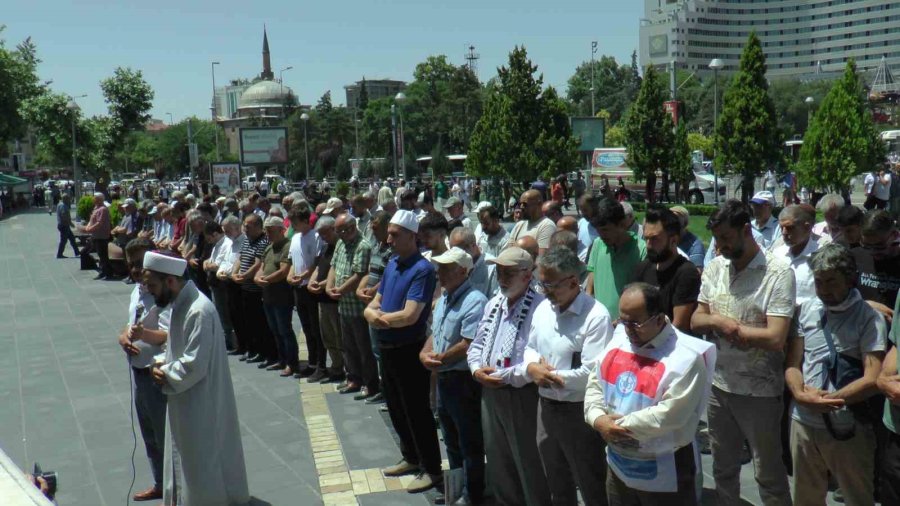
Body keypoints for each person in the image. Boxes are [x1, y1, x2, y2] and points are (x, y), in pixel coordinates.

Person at [691, 199, 795, 506]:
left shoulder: (777, 273)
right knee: (723, 467)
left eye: (726, 237)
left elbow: (776, 337)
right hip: (719, 386)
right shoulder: (715, 267)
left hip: (759, 392)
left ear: (746, 231)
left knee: (768, 473)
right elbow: (696, 319)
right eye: (716, 239)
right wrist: (718, 322)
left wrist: (731, 329)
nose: (720, 246)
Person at [586, 283, 715, 504]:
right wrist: (597, 418)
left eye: (636, 323)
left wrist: (616, 426)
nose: (628, 329)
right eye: (623, 320)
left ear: (658, 318)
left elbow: (669, 415)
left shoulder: (686, 357)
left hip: (665, 470)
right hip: (618, 465)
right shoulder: (619, 340)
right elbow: (596, 382)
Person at [144, 251, 249, 506]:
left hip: (201, 401)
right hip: (184, 398)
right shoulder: (180, 305)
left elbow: (194, 364)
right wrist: (160, 363)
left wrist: (164, 372)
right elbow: (176, 348)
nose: (150, 292)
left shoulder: (198, 310)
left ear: (170, 281)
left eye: (153, 285)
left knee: (203, 462)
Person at [786, 243, 885, 506]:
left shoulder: (869, 318)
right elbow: (793, 363)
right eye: (819, 282)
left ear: (850, 279)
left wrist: (827, 401)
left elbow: (873, 378)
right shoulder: (807, 310)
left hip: (847, 426)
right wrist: (800, 394)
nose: (824, 290)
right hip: (803, 422)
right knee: (805, 498)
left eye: (831, 281)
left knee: (857, 497)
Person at [524, 246, 612, 506]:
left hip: (578, 412)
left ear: (573, 282)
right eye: (542, 284)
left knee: (590, 481)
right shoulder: (543, 309)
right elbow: (530, 347)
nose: (545, 291)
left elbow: (591, 373)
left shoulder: (596, 317)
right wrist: (532, 367)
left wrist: (548, 376)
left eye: (550, 285)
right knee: (556, 481)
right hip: (546, 408)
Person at [363, 210, 443, 493]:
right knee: (396, 407)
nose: (389, 239)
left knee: (417, 410)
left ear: (412, 236)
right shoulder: (392, 264)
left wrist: (377, 318)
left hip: (409, 349)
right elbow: (375, 301)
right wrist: (375, 314)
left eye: (395, 235)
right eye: (389, 234)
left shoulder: (422, 270)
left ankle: (432, 469)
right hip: (387, 346)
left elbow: (410, 315)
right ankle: (410, 456)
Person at [466, 247, 551, 506]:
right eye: (499, 272)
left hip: (521, 393)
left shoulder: (541, 308)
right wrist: (476, 369)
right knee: (498, 461)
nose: (502, 278)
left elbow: (534, 359)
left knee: (528, 463)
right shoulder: (494, 303)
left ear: (527, 275)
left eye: (509, 273)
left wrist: (501, 375)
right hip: (490, 390)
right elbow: (477, 344)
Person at [421, 247, 488, 504]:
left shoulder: (475, 301)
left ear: (462, 271)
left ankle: (472, 494)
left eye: (446, 268)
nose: (440, 273)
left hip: (462, 382)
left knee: (469, 442)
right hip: (443, 379)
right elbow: (435, 334)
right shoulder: (444, 299)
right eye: (439, 268)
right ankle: (457, 491)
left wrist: (438, 359)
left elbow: (468, 344)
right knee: (450, 439)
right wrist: (424, 353)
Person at [118, 238, 170, 503]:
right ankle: (160, 483)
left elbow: (169, 334)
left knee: (165, 436)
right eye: (132, 265)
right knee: (148, 434)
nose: (137, 270)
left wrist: (143, 335)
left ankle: (174, 489)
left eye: (140, 263)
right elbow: (130, 324)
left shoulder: (162, 294)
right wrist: (123, 337)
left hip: (156, 373)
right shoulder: (137, 291)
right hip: (138, 372)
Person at [328, 213, 378, 399]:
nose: (339, 234)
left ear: (350, 228)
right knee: (348, 346)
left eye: (341, 230)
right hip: (343, 306)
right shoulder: (340, 244)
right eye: (337, 231)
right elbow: (333, 266)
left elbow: (359, 274)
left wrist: (340, 290)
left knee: (363, 348)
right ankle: (353, 378)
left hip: (357, 307)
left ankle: (369, 383)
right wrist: (328, 287)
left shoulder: (363, 246)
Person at [632, 207, 701, 333]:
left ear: (673, 240)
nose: (648, 245)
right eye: (646, 238)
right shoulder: (643, 268)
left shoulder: (686, 273)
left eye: (654, 239)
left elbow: (679, 326)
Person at [586, 198, 647, 318]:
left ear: (622, 224)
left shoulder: (641, 249)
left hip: (626, 322)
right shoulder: (598, 244)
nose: (601, 235)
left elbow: (643, 292)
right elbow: (591, 281)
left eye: (605, 230)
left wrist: (621, 321)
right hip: (599, 320)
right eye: (598, 230)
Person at [232, 213, 279, 368]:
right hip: (245, 288)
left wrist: (244, 275)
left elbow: (258, 264)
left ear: (258, 227)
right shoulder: (247, 240)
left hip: (256, 289)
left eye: (249, 226)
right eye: (244, 225)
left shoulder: (263, 241)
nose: (245, 228)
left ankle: (267, 353)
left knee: (261, 323)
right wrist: (235, 273)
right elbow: (240, 258)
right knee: (249, 322)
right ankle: (254, 349)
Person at [356, 210, 393, 403]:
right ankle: (383, 388)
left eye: (376, 228)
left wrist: (372, 291)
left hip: (382, 306)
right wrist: (360, 289)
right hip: (370, 303)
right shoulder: (377, 247)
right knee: (375, 350)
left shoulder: (392, 250)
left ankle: (388, 392)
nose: (373, 230)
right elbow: (370, 272)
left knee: (382, 352)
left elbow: (388, 277)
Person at [255, 216, 299, 377]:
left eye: (271, 231)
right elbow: (261, 267)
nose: (268, 234)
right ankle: (282, 359)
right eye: (266, 231)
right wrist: (257, 278)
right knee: (275, 330)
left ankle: (291, 362)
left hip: (281, 296)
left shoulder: (286, 246)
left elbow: (283, 271)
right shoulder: (269, 247)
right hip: (268, 295)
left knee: (284, 330)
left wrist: (265, 279)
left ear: (281, 230)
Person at [287, 206, 327, 380]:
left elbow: (317, 262)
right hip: (298, 288)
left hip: (310, 288)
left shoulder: (315, 236)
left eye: (295, 222)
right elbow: (292, 261)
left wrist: (304, 276)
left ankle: (321, 365)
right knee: (306, 328)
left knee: (316, 329)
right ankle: (312, 363)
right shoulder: (295, 238)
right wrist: (291, 276)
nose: (293, 226)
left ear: (305, 221)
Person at [307, 216, 346, 383]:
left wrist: (322, 284)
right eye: (321, 234)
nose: (323, 237)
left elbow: (338, 272)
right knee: (327, 337)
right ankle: (336, 368)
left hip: (334, 300)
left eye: (325, 233)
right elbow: (318, 267)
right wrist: (311, 282)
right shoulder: (325, 247)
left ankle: (347, 369)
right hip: (322, 299)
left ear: (333, 229)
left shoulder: (341, 247)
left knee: (340, 338)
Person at [773, 205, 822, 305]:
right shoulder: (777, 254)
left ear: (807, 227)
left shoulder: (821, 255)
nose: (784, 233)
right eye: (781, 228)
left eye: (790, 228)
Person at [450, 226, 495, 297]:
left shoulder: (491, 266)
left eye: (459, 251)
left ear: (473, 246)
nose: (456, 256)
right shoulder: (454, 265)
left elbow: (493, 298)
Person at [508, 190, 556, 254]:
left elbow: (542, 256)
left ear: (539, 204)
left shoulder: (547, 225)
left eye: (525, 204)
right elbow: (508, 250)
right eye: (520, 204)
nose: (521, 207)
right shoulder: (519, 225)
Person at [81, 192, 113, 280]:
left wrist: (89, 229)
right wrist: (87, 227)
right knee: (100, 254)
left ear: (99, 199)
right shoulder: (96, 208)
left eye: (94, 198)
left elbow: (99, 223)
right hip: (96, 236)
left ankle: (107, 272)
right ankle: (104, 271)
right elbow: (92, 221)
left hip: (101, 236)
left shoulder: (102, 209)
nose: (93, 199)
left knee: (103, 255)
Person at [55, 193, 80, 259]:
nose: (69, 200)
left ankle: (77, 252)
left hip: (63, 225)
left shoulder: (59, 204)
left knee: (72, 239)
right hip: (64, 225)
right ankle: (59, 254)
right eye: (68, 198)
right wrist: (70, 223)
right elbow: (64, 216)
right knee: (63, 241)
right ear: (65, 199)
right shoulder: (63, 206)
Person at [577, 195, 600, 263]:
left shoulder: (604, 226)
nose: (583, 214)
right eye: (581, 211)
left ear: (595, 207)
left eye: (585, 210)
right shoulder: (581, 222)